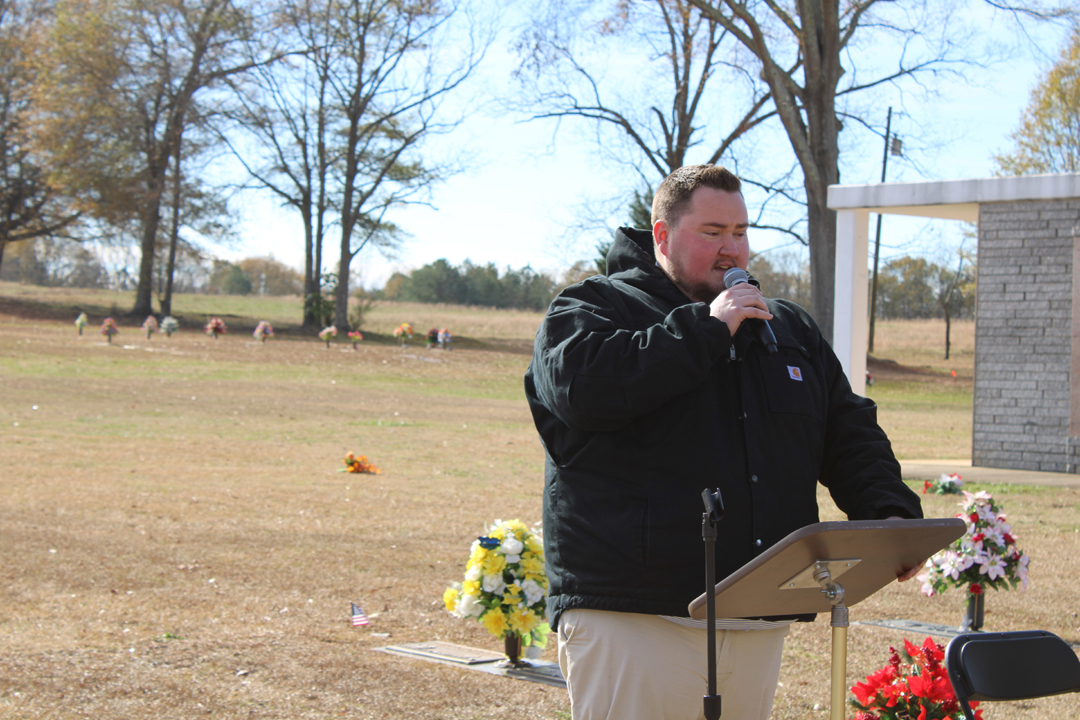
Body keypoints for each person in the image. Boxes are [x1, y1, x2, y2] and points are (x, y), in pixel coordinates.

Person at [524, 164, 923, 720]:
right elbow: (584, 392)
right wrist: (707, 329)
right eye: (712, 232)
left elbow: (846, 430)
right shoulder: (591, 309)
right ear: (662, 235)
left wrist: (890, 514)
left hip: (757, 612)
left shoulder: (786, 329)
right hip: (636, 619)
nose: (731, 249)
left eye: (740, 232)